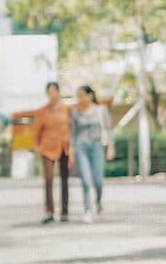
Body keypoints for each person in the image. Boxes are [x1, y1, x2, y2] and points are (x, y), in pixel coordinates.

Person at [70, 85, 114, 223]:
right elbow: (72, 134)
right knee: (86, 180)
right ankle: (88, 209)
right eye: (78, 96)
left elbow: (108, 129)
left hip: (97, 146)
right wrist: (71, 152)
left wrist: (111, 147)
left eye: (82, 95)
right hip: (81, 147)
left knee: (98, 181)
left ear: (90, 96)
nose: (80, 99)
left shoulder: (101, 110)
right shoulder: (75, 113)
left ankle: (98, 202)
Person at [33, 81, 73, 223]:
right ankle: (49, 211)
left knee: (64, 179)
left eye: (53, 91)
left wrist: (72, 147)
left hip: (64, 147)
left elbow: (71, 128)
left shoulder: (67, 109)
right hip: (48, 148)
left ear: (58, 92)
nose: (51, 94)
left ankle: (64, 211)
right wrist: (37, 146)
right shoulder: (42, 111)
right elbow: (36, 130)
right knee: (49, 179)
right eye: (49, 92)